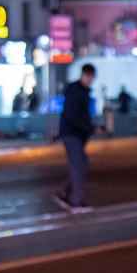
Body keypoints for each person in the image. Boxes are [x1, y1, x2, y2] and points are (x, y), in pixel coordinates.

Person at [54, 63, 96, 214]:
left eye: (91, 77)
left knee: (81, 163)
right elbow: (74, 115)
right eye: (88, 76)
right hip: (72, 133)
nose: (89, 80)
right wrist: (89, 127)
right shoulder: (75, 91)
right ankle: (76, 202)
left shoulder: (82, 91)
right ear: (84, 75)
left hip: (76, 133)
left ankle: (64, 193)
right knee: (78, 165)